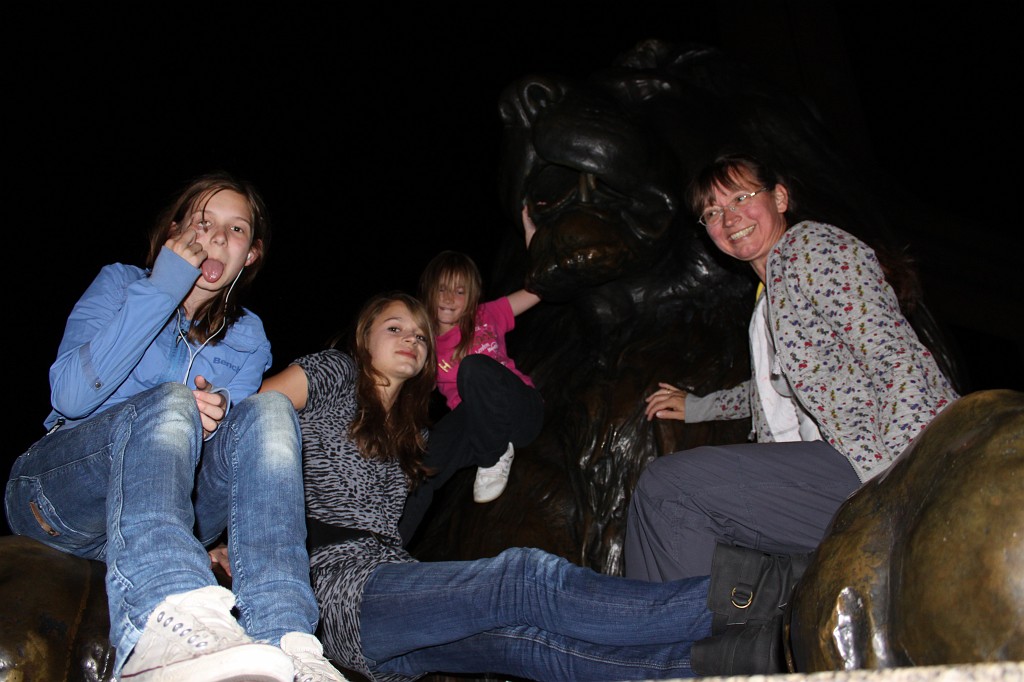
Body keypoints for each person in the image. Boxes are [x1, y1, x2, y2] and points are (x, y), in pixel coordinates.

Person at [260, 291, 722, 681]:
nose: (412, 340)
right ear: (364, 338)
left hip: (384, 609)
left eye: (421, 336)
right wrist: (231, 541)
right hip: (336, 587)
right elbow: (249, 423)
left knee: (534, 648)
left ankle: (720, 663)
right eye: (395, 328)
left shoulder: (414, 437)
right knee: (522, 579)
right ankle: (739, 600)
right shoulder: (333, 373)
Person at [4, 172, 344, 682]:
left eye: (236, 230)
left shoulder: (249, 337)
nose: (216, 238)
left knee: (270, 411)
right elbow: (70, 396)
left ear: (250, 254)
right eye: (204, 222)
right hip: (63, 495)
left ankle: (289, 639)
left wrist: (221, 413)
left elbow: (229, 456)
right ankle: (160, 621)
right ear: (176, 231)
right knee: (170, 401)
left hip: (165, 509)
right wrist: (164, 288)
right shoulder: (121, 284)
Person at [624, 152, 960, 583]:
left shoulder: (810, 248)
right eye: (713, 212)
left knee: (668, 489)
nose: (729, 218)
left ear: (780, 198)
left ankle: (668, 638)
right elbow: (774, 388)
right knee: (697, 526)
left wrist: (911, 483)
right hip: (832, 475)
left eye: (742, 197)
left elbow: (892, 355)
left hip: (870, 467)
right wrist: (698, 407)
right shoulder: (767, 299)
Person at [397, 209, 543, 543]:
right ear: (428, 293)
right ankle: (386, 550)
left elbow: (538, 290)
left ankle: (493, 456)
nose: (450, 299)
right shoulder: (425, 345)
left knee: (474, 368)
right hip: (474, 420)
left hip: (519, 408)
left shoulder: (487, 314)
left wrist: (534, 242)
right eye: (442, 290)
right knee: (423, 469)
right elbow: (404, 387)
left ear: (472, 295)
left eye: (459, 291)